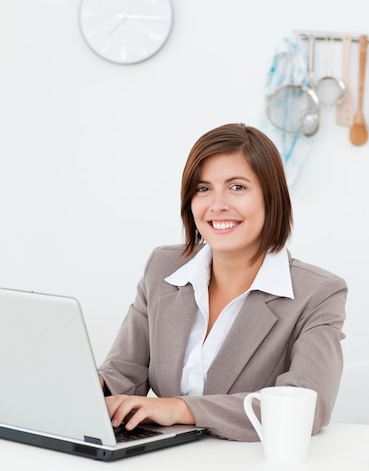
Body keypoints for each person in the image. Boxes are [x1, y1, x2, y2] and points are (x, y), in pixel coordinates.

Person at [98, 123, 347, 441]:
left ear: (271, 197)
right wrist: (88, 387)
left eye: (237, 187)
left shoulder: (318, 293)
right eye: (203, 189)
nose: (217, 204)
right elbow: (124, 371)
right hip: (164, 466)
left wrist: (180, 409)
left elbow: (306, 407)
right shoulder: (162, 268)